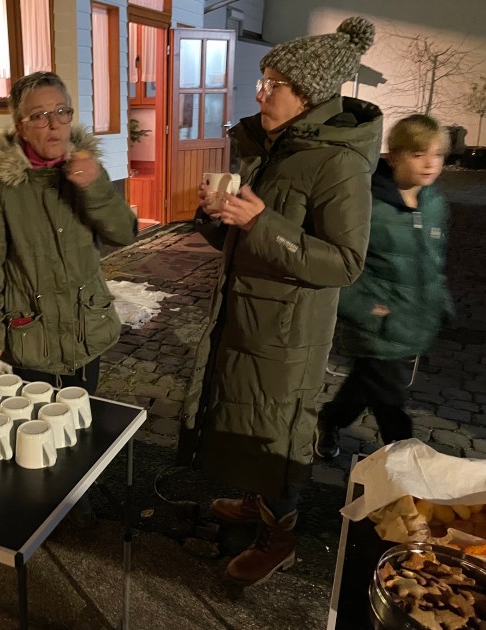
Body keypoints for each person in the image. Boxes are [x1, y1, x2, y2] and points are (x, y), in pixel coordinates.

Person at [177, 17, 383, 586]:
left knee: (280, 430)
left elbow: (345, 262)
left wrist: (260, 223)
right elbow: (245, 238)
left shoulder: (339, 162)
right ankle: (256, 500)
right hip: (245, 315)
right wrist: (218, 216)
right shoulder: (272, 148)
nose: (260, 94)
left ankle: (280, 537)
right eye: (262, 81)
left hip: (290, 334)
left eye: (273, 84)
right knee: (248, 419)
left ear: (308, 95)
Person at [0, 71, 135, 524]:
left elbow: (124, 232)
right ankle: (42, 502)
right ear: (21, 126)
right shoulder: (0, 186)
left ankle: (78, 496)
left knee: (81, 412)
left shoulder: (86, 170)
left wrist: (95, 187)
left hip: (85, 322)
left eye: (62, 111)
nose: (55, 124)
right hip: (32, 326)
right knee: (36, 421)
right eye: (40, 116)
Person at [315, 114, 453, 459]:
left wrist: (440, 301)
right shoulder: (368, 204)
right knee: (389, 397)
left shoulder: (434, 203)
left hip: (409, 317)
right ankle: (405, 458)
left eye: (437, 154)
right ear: (394, 156)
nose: (430, 163)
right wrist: (365, 309)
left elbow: (433, 261)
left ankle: (330, 419)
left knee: (365, 383)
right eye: (418, 154)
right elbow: (338, 261)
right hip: (375, 320)